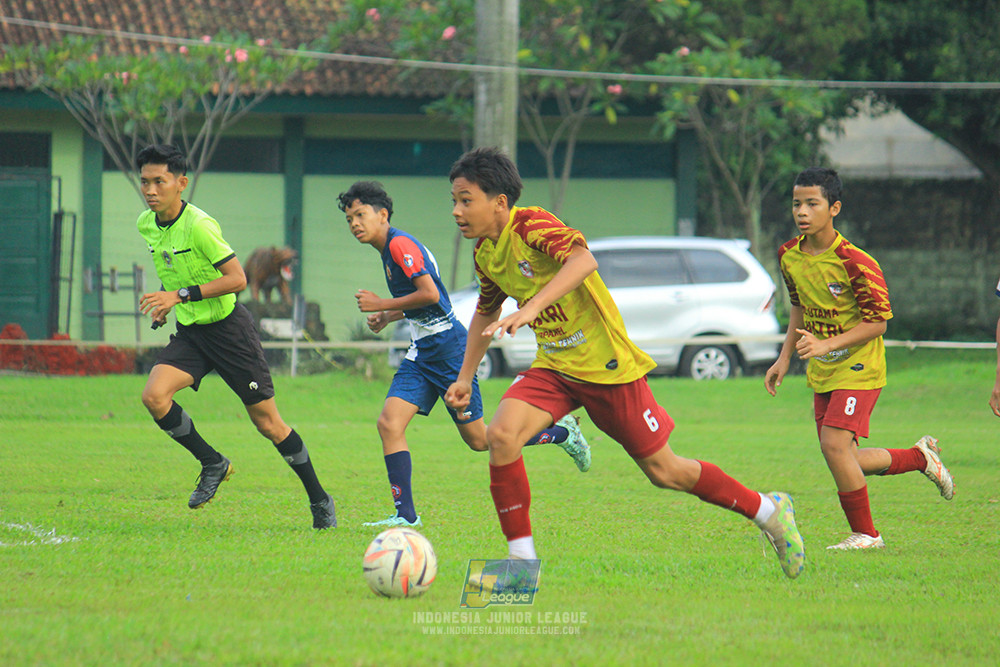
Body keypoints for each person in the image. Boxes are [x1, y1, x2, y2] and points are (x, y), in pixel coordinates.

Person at [442, 147, 805, 580]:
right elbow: (486, 310)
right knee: (501, 436)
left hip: (606, 367)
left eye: (466, 200)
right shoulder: (486, 253)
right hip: (555, 367)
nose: (457, 211)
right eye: (454, 201)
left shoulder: (533, 223)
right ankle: (522, 563)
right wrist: (465, 377)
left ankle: (768, 511)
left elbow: (583, 260)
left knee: (665, 471)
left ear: (499, 201)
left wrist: (533, 306)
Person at [337, 180, 591, 528]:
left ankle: (561, 432)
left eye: (361, 214)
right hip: (422, 350)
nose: (355, 223)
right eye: (350, 218)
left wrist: (383, 303)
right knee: (389, 423)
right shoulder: (388, 249)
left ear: (382, 215)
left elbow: (429, 295)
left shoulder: (400, 245)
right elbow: (429, 298)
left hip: (448, 348)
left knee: (480, 440)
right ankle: (405, 516)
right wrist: (389, 314)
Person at [135, 144, 336, 529]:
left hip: (230, 333)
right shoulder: (147, 223)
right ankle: (213, 462)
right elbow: (175, 270)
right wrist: (167, 304)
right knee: (154, 396)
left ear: (181, 184)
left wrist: (178, 296)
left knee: (269, 425)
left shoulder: (200, 226)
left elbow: (237, 280)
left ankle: (319, 499)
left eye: (159, 181)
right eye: (145, 181)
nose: (150, 189)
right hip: (192, 333)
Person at [765, 166, 954, 551]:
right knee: (843, 455)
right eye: (796, 203)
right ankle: (919, 458)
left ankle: (867, 535)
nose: (802, 211)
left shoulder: (856, 262)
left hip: (860, 366)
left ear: (834, 208)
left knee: (834, 448)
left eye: (812, 203)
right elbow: (798, 308)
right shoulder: (788, 256)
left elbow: (878, 323)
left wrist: (826, 346)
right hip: (823, 369)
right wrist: (784, 357)